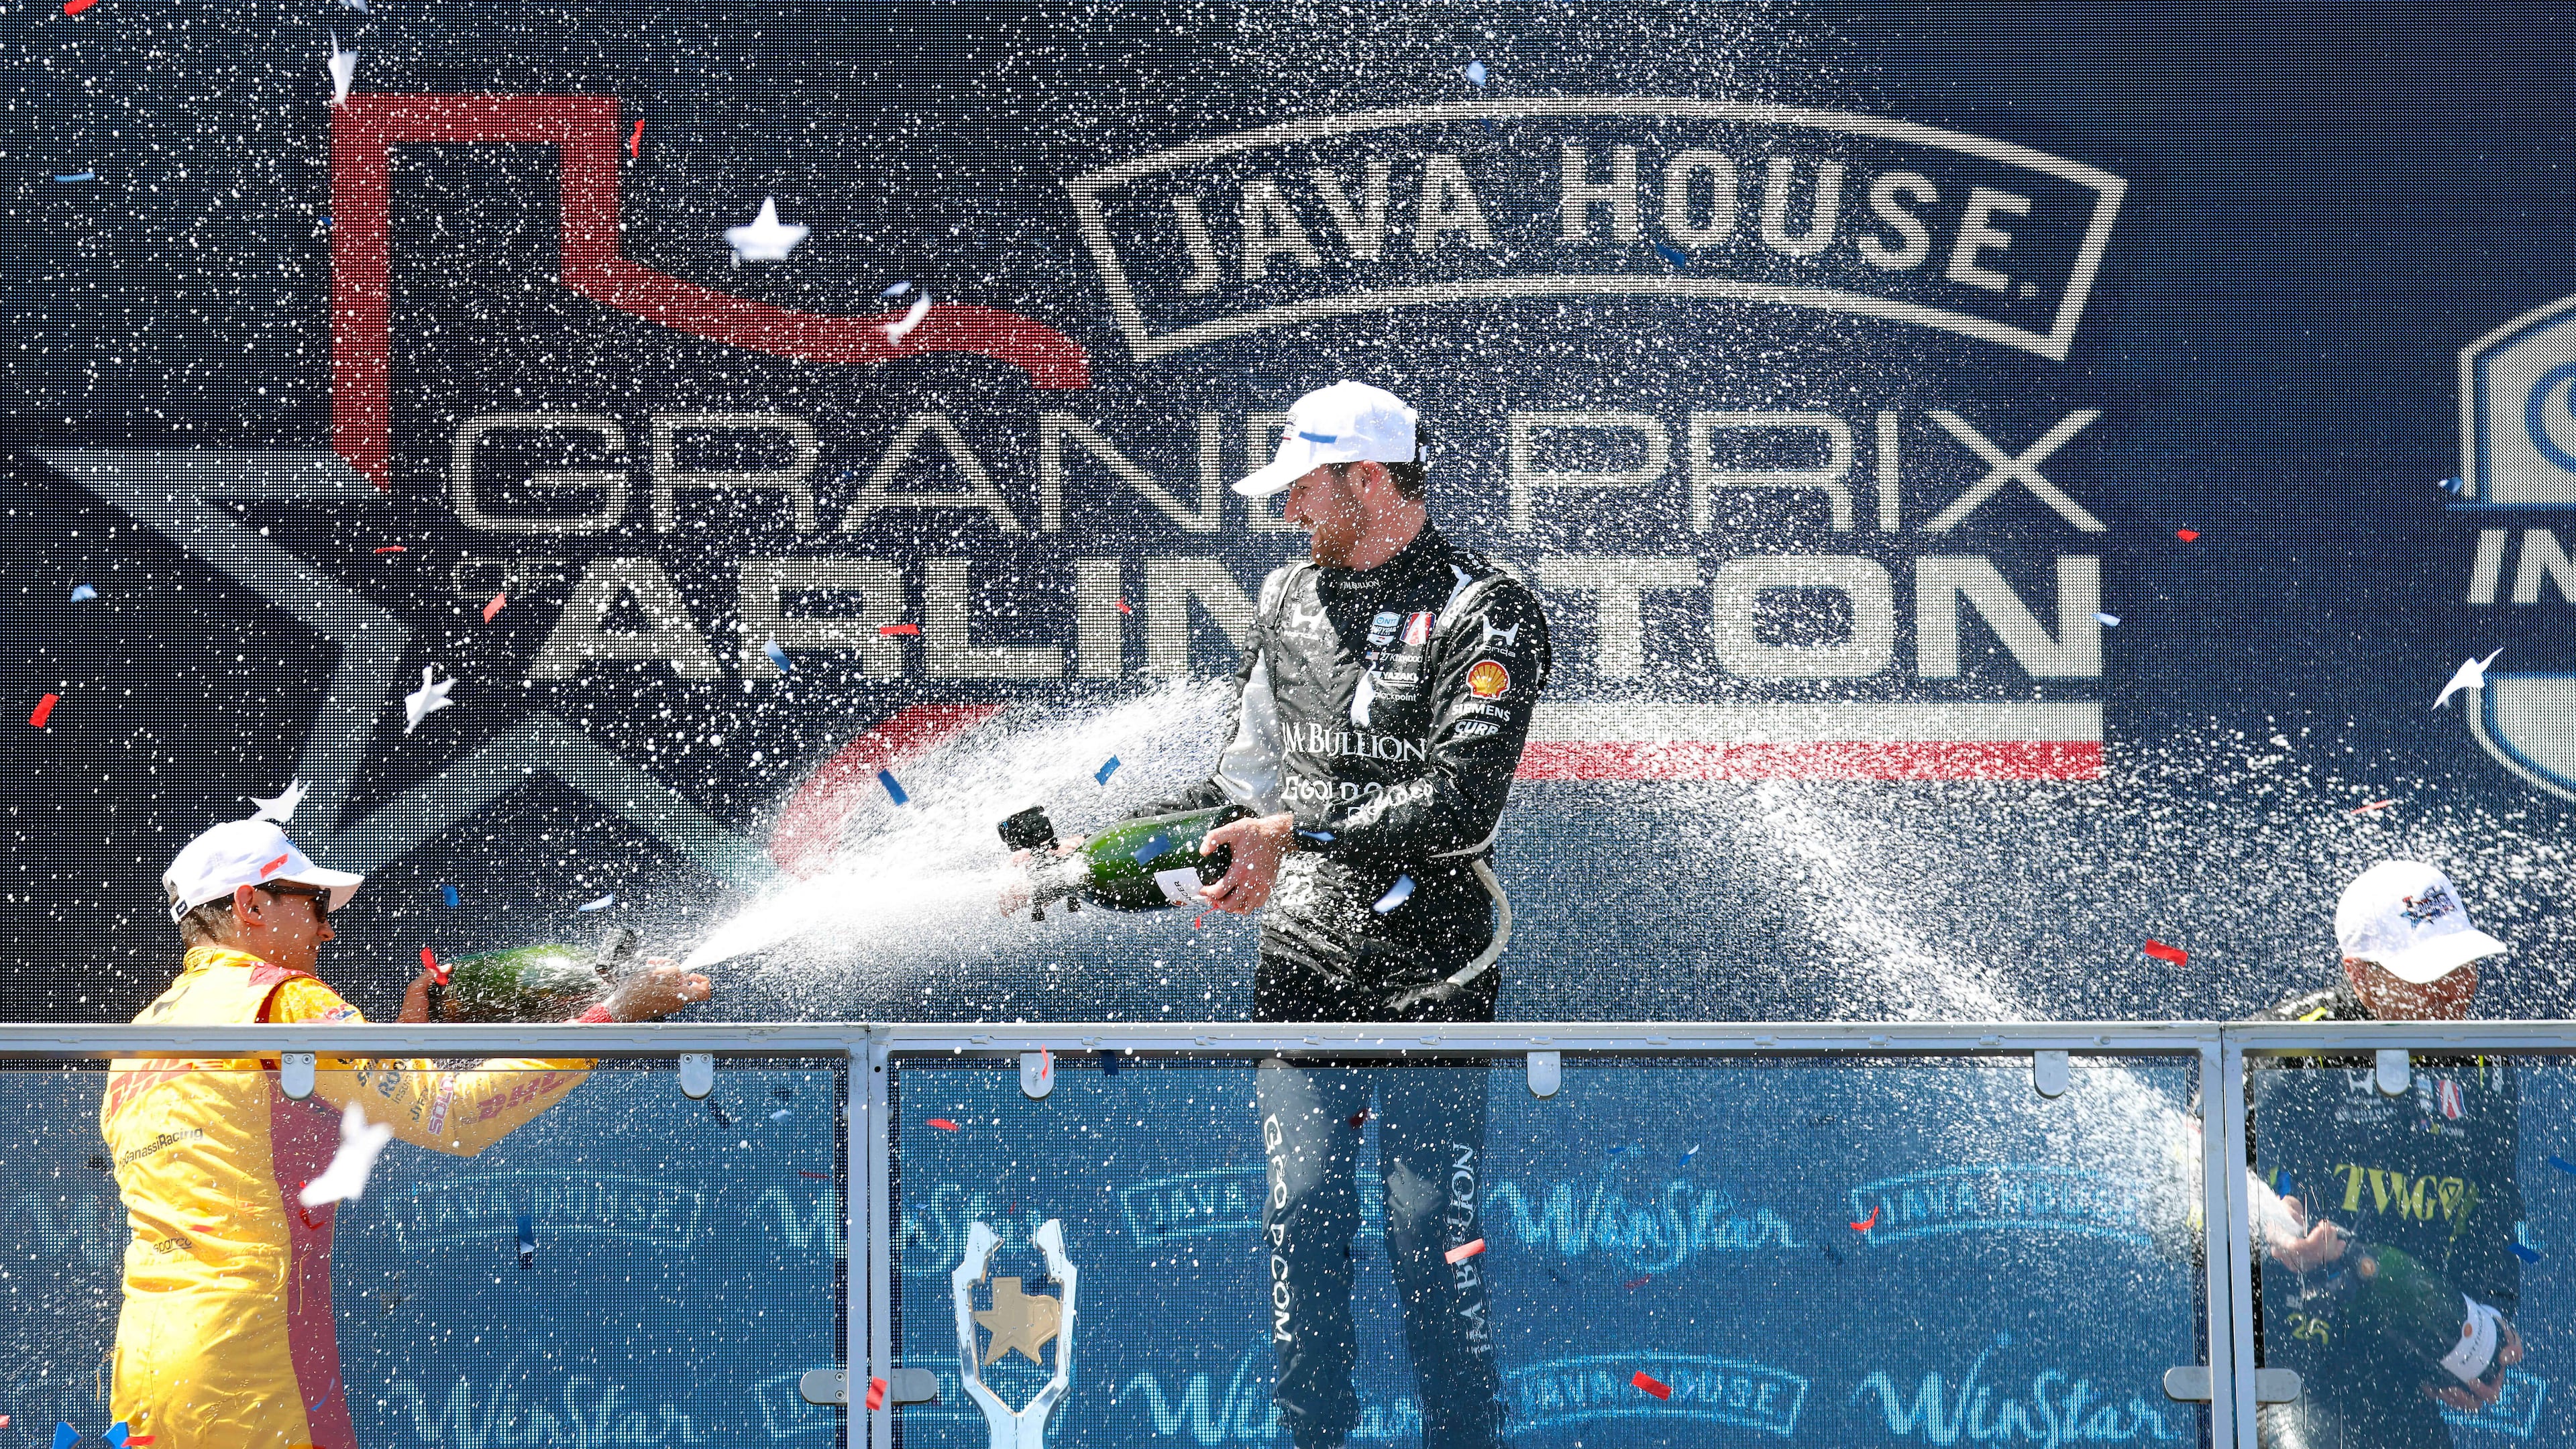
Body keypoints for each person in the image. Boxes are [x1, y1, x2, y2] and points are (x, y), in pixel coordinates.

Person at [1125, 380, 1550, 1449]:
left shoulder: (1486, 607)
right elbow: (1243, 783)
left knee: (1426, 1238)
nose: (1286, 513)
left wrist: (1294, 835)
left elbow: (1460, 802)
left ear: (1369, 478)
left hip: (1436, 974)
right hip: (1302, 968)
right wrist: (1099, 864)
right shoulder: (1283, 599)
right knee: (1301, 1226)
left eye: (1303, 490)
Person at [103, 816, 711, 1448]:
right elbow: (454, 1116)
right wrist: (612, 1018)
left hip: (146, 1363)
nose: (327, 928)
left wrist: (404, 1043)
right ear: (250, 904)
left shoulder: (140, 1040)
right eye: (313, 904)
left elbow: (259, 1153)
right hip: (251, 1362)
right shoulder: (284, 1000)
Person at [2248, 860, 2524, 1449]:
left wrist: (2488, 1328)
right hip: (2294, 1381)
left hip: (2407, 1381)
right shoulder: (2288, 1045)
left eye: (2462, 965)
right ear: (2362, 976)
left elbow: (2495, 1218)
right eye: (2427, 975)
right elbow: (2181, 1207)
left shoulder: (2488, 1063)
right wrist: (2262, 1228)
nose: (2454, 990)